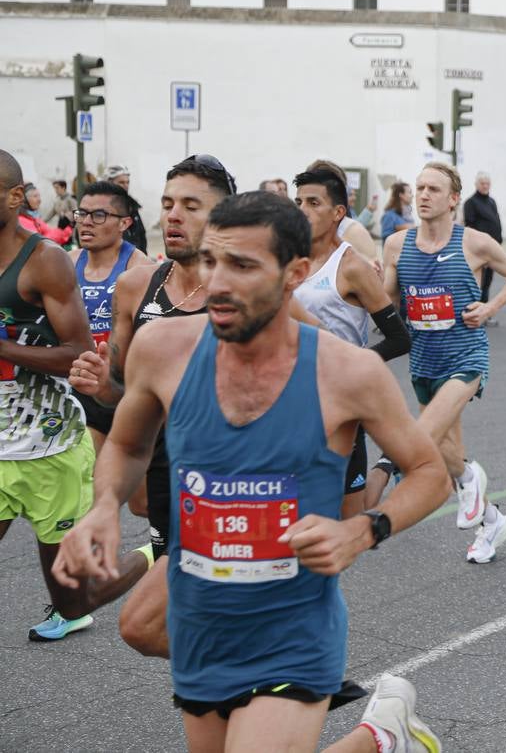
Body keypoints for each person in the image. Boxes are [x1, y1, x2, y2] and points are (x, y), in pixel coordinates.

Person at [55, 191, 451, 753]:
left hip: (293, 629)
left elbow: (430, 472)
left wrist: (362, 530)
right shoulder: (162, 348)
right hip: (199, 625)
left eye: (242, 266)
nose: (217, 282)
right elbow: (126, 444)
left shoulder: (347, 371)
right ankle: (382, 737)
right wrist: (103, 509)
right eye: (211, 261)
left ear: (296, 274)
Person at [69, 154, 246, 657]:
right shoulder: (135, 286)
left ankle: (281, 678)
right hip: (166, 478)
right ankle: (279, 679)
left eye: (191, 205)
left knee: (145, 625)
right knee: (166, 628)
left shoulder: (248, 289)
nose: (173, 216)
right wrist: (102, 386)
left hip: (230, 488)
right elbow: (125, 395)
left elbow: (322, 369)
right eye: (168, 204)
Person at [0, 150, 131, 644]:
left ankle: (156, 553)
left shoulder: (44, 261)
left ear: (15, 197)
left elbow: (77, 352)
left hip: (48, 446)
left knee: (73, 602)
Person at [383, 162, 506, 564]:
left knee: (421, 436)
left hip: (465, 358)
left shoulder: (475, 242)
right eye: (419, 188)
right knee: (449, 454)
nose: (423, 195)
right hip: (423, 362)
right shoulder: (396, 245)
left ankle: (468, 478)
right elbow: (386, 303)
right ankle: (491, 521)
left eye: (433, 189)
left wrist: (489, 307)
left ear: (452, 200)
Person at [293, 167, 411, 518]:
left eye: (313, 203)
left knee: (351, 517)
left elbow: (399, 338)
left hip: (341, 399)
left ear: (338, 212)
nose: (303, 210)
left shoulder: (351, 267)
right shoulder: (287, 260)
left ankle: (386, 464)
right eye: (298, 202)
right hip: (294, 393)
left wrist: (352, 366)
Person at [67, 181, 151, 449]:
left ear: (124, 223)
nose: (86, 222)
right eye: (82, 213)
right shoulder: (68, 262)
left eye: (99, 215)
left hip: (118, 388)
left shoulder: (140, 268)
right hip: (75, 381)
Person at [463, 172, 503, 320]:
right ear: (476, 184)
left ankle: (484, 313)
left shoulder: (491, 201)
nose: (485, 186)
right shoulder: (471, 203)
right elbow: (470, 227)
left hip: (493, 249)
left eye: (487, 183)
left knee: (487, 283)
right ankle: (475, 313)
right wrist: (480, 251)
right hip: (480, 251)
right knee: (478, 284)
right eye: (482, 183)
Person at [103, 165, 148, 254]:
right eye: (121, 182)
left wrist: (143, 256)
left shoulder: (132, 207)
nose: (126, 185)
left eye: (127, 182)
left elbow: (141, 235)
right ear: (109, 183)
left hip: (135, 257)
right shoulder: (102, 207)